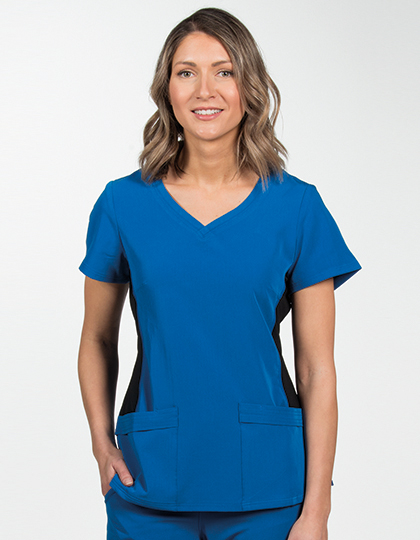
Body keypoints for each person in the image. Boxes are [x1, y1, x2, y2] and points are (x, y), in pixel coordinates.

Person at [78, 7, 361, 540]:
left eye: (224, 71)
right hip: (148, 479)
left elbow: (316, 368)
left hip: (268, 487)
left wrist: (317, 510)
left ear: (248, 86)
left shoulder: (298, 207)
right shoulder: (122, 204)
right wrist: (100, 441)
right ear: (166, 89)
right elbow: (96, 337)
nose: (204, 90)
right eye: (186, 72)